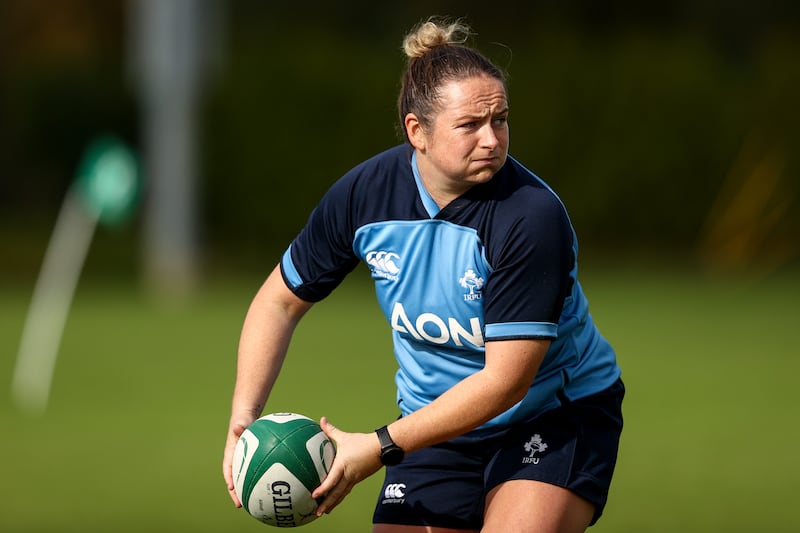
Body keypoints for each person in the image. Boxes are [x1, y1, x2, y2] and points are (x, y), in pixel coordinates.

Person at [223, 17, 624, 533]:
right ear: (418, 131)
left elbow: (506, 382)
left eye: (500, 120)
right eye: (470, 125)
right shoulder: (364, 196)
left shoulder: (530, 216)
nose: (491, 139)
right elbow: (278, 303)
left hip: (552, 415)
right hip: (434, 425)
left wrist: (379, 445)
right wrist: (243, 417)